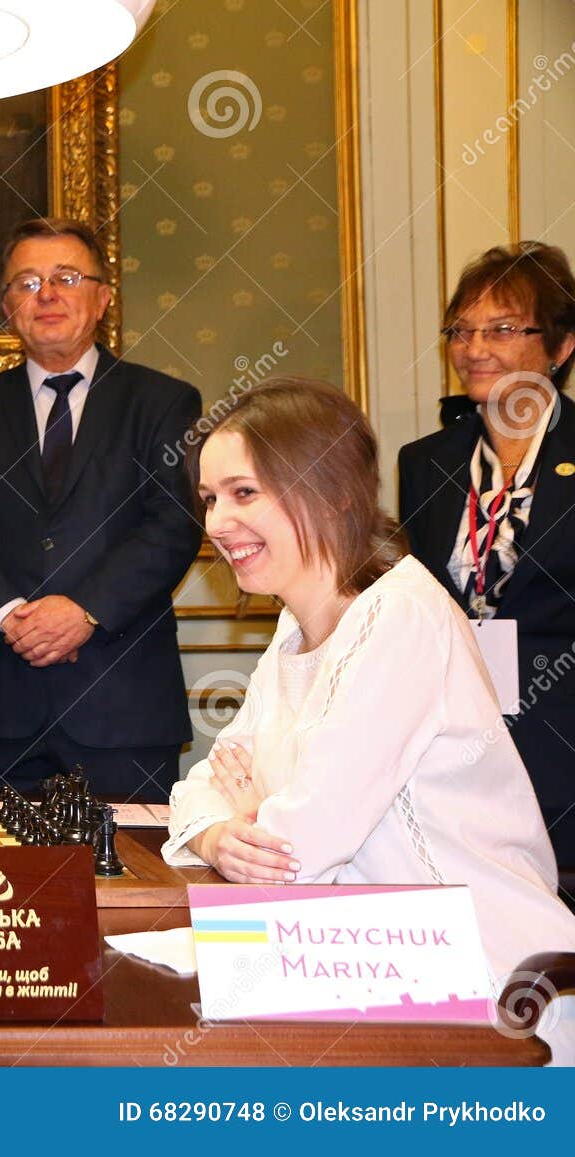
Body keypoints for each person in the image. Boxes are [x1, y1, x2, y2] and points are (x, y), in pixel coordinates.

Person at [165, 376, 575, 1057]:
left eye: (244, 493)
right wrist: (216, 833)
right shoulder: (295, 627)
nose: (215, 523)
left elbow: (292, 855)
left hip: (485, 985)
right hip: (356, 958)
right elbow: (202, 784)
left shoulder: (401, 615)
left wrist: (259, 805)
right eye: (209, 498)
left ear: (331, 490)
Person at [0, 217, 202, 800]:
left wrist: (85, 610)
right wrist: (11, 617)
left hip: (122, 705)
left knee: (132, 881)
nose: (45, 294)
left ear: (102, 299)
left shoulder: (163, 402)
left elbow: (174, 524)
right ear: (6, 306)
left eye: (65, 277)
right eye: (26, 283)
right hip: (2, 702)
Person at [397, 242, 575, 877]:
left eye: (502, 329)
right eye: (461, 331)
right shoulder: (426, 463)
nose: (474, 348)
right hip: (457, 739)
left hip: (563, 740)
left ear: (560, 346)